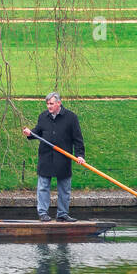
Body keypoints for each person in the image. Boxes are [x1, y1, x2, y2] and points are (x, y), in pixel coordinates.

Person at [23, 91, 86, 222]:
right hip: (46, 157)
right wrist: (30, 133)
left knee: (64, 189)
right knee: (43, 187)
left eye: (51, 103)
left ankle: (62, 214)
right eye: (47, 104)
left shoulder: (71, 118)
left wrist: (80, 155)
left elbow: (78, 139)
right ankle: (43, 213)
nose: (49, 106)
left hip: (63, 158)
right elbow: (37, 132)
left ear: (59, 103)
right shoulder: (43, 117)